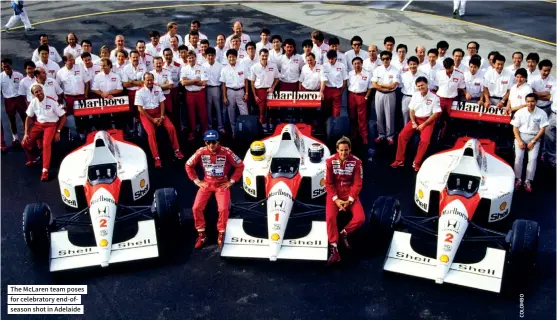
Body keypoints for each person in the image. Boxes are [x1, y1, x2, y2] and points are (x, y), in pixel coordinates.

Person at [185, 130, 244, 249]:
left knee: (223, 208)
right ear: (205, 143)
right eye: (208, 142)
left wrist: (231, 182)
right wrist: (197, 181)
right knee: (196, 207)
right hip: (207, 183)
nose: (211, 145)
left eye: (214, 142)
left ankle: (221, 234)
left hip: (222, 184)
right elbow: (188, 165)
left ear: (218, 142)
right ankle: (201, 235)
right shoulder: (201, 152)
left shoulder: (227, 152)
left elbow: (240, 165)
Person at [324, 136, 364, 265]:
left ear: (350, 149)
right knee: (330, 218)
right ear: (337, 150)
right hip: (334, 194)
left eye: (346, 150)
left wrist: (349, 200)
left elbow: (358, 184)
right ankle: (334, 248)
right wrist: (336, 200)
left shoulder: (357, 162)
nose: (343, 153)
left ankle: (344, 233)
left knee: (360, 218)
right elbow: (328, 183)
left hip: (350, 194)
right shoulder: (329, 162)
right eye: (341, 150)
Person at [391, 77, 441, 171]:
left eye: (422, 85)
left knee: (425, 141)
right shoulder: (415, 95)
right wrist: (413, 122)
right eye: (418, 86)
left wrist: (424, 124)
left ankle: (416, 162)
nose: (420, 87)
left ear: (427, 84)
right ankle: (399, 160)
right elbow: (411, 110)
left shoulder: (435, 97)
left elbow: (435, 114)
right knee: (402, 135)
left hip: (428, 121)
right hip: (416, 119)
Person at [135, 73, 184, 168]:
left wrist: (161, 117)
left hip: (159, 112)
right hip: (146, 115)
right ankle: (156, 157)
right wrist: (153, 120)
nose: (149, 82)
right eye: (147, 80)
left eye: (151, 80)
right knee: (151, 134)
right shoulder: (139, 91)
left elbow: (162, 103)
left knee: (171, 128)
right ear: (144, 81)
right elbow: (140, 109)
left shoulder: (157, 88)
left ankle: (177, 150)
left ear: (153, 80)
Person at [22, 85, 67, 181]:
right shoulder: (33, 102)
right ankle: (33, 158)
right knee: (25, 143)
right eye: (36, 92)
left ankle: (45, 170)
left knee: (46, 144)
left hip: (51, 125)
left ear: (43, 90)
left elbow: (63, 116)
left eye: (40, 90)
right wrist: (26, 133)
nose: (39, 93)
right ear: (33, 94)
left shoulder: (51, 101)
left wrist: (58, 131)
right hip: (38, 125)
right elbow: (28, 118)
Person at [511, 93, 548, 192]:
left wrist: (533, 141)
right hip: (521, 136)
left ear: (536, 102)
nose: (530, 104)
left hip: (534, 138)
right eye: (528, 101)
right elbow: (515, 128)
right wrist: (519, 141)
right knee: (518, 158)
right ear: (525, 102)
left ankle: (528, 181)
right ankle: (518, 179)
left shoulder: (542, 113)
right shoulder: (520, 112)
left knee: (533, 159)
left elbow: (542, 129)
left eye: (532, 101)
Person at [371, 50, 400, 145]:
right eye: (383, 59)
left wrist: (381, 84)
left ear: (390, 59)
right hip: (379, 94)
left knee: (389, 116)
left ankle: (390, 136)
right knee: (379, 115)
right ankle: (381, 134)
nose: (385, 61)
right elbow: (374, 85)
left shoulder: (395, 70)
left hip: (390, 95)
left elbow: (393, 85)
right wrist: (385, 86)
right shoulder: (377, 70)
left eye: (387, 59)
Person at [180, 50, 209, 141]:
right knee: (191, 114)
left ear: (195, 58)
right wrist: (195, 80)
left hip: (200, 93)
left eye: (192, 57)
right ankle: (192, 132)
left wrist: (190, 81)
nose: (191, 59)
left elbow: (204, 83)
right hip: (189, 94)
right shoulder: (184, 68)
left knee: (202, 114)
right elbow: (183, 83)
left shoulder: (201, 68)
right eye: (189, 58)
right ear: (187, 59)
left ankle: (204, 131)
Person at [249, 48, 280, 132]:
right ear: (259, 56)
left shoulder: (273, 66)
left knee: (271, 109)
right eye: (263, 56)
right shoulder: (254, 67)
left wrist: (273, 87)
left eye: (266, 56)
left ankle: (270, 126)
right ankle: (262, 127)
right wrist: (255, 95)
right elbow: (252, 82)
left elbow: (277, 78)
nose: (264, 57)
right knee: (262, 110)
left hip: (270, 90)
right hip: (260, 90)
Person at [219, 49, 248, 135]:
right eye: (230, 57)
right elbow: (223, 84)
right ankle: (233, 131)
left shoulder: (242, 67)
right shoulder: (224, 69)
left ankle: (245, 131)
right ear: (227, 58)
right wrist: (224, 97)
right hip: (230, 92)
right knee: (231, 113)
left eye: (233, 57)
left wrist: (246, 93)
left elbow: (246, 80)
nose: (231, 58)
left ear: (236, 57)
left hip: (240, 91)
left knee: (244, 113)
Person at [1, 58, 26, 145]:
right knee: (12, 120)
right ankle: (15, 138)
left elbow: (24, 87)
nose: (6, 68)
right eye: (3, 67)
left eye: (7, 66)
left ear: (10, 65)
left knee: (25, 118)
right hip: (8, 100)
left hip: (19, 98)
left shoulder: (19, 75)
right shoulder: (0, 77)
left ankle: (28, 136)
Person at [347, 57, 371, 144]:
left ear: (362, 64)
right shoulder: (350, 74)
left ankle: (364, 136)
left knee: (362, 117)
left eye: (358, 63)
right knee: (352, 116)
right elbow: (348, 84)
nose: (357, 65)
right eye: (355, 64)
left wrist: (366, 97)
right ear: (352, 65)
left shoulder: (367, 74)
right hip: (352, 95)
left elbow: (370, 87)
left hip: (362, 96)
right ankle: (353, 133)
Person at [203, 47, 225, 133]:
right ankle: (209, 126)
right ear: (206, 56)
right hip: (207, 88)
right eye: (209, 55)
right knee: (208, 108)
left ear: (215, 55)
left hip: (216, 88)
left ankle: (220, 126)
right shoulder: (203, 66)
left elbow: (222, 80)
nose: (210, 57)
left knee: (218, 108)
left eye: (212, 55)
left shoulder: (220, 66)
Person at [400, 56, 427, 124]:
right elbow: (400, 86)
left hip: (418, 98)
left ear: (418, 65)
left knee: (417, 116)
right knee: (405, 115)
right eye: (410, 64)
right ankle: (406, 132)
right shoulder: (403, 75)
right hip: (406, 97)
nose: (412, 66)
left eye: (414, 64)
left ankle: (416, 133)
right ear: (408, 65)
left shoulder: (423, 75)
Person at [320, 50, 348, 119]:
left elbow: (345, 79)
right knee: (326, 108)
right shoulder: (324, 66)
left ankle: (336, 124)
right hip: (327, 89)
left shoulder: (341, 66)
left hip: (337, 89)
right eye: (329, 59)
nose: (330, 60)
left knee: (336, 109)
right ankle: (326, 124)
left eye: (332, 59)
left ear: (335, 57)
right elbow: (323, 80)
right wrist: (321, 91)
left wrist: (340, 91)